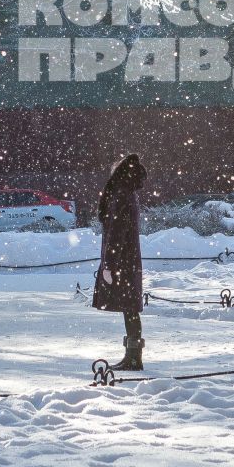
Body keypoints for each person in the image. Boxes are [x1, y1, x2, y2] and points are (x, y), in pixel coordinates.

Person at [93, 153, 147, 370]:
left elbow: (116, 232)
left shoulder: (121, 194)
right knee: (130, 308)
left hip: (122, 262)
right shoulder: (129, 193)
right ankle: (133, 355)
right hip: (129, 260)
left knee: (129, 308)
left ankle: (133, 357)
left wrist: (109, 264)